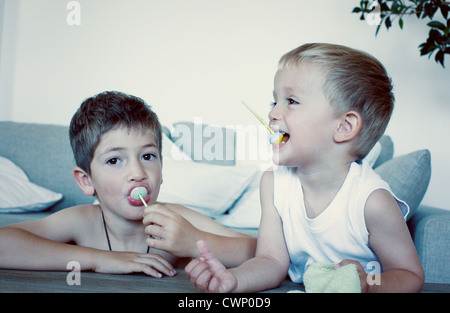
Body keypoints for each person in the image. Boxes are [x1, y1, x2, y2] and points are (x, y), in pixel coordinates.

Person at [185, 43, 425, 292]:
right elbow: (271, 261)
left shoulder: (372, 201)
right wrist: (234, 280)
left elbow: (409, 275)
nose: (273, 113)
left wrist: (369, 283)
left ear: (344, 127)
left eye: (291, 100)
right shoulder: (274, 184)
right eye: (273, 101)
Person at [0, 91, 256, 278]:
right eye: (114, 160)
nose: (137, 172)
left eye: (147, 156)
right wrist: (100, 260)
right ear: (86, 181)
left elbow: (261, 250)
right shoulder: (81, 222)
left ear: (162, 167)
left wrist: (194, 241)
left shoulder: (180, 220)